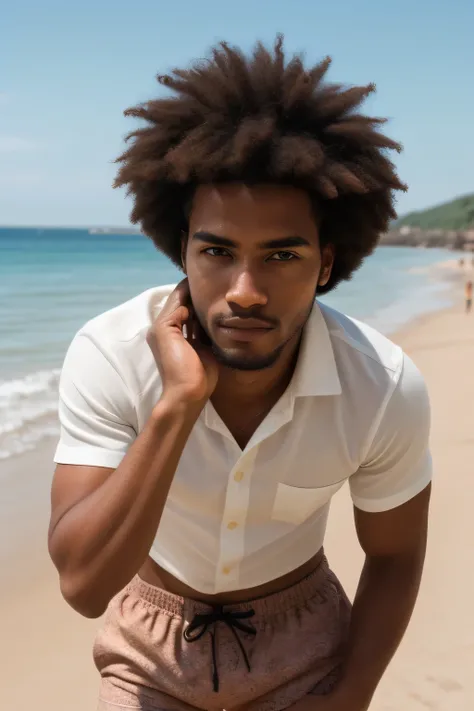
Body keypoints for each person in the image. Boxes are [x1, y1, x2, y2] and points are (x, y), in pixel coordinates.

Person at [48, 37, 432, 711]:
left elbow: (396, 556)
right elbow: (83, 585)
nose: (245, 290)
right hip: (149, 649)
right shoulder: (110, 353)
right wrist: (177, 405)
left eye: (281, 254)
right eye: (218, 251)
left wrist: (351, 695)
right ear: (183, 251)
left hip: (306, 642)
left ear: (325, 263)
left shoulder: (382, 385)